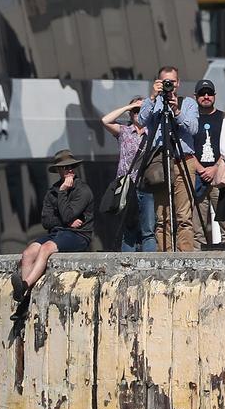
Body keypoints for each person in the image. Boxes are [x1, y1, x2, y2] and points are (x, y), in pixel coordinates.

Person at [11, 149, 94, 303]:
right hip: (58, 232)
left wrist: (63, 193)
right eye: (65, 167)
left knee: (46, 248)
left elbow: (68, 214)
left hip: (79, 235)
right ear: (58, 170)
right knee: (28, 253)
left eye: (71, 167)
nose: (69, 170)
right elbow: (46, 221)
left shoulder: (82, 190)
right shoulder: (52, 192)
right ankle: (24, 299)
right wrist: (67, 222)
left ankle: (24, 286)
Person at [137, 65, 199, 252]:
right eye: (165, 82)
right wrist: (152, 97)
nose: (168, 85)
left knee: (184, 216)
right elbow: (141, 121)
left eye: (172, 82)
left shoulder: (187, 103)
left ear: (178, 83)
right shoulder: (154, 103)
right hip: (161, 162)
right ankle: (164, 256)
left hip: (183, 160)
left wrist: (177, 111)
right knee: (162, 217)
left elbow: (193, 129)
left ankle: (185, 258)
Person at [101, 95, 156, 253]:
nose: (138, 113)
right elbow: (105, 120)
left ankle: (149, 268)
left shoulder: (152, 132)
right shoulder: (124, 131)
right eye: (135, 111)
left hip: (147, 185)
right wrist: (127, 107)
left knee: (148, 231)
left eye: (141, 110)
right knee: (129, 230)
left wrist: (148, 105)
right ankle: (127, 269)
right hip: (126, 186)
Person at [191, 78, 225, 248]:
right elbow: (186, 148)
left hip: (219, 174)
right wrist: (201, 169)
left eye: (209, 93)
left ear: (214, 95)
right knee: (196, 223)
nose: (206, 96)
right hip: (197, 175)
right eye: (202, 94)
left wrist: (215, 168)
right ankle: (197, 257)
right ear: (196, 97)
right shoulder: (190, 119)